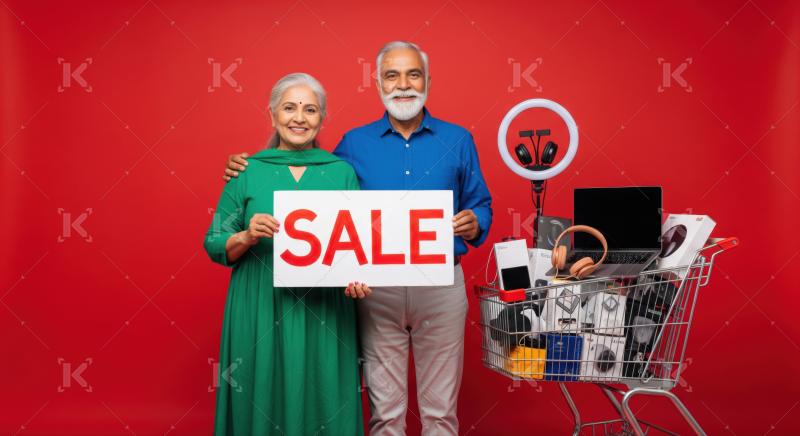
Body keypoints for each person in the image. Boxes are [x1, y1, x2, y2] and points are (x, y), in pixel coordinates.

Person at [223, 41, 493, 435]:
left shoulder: (458, 140)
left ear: (428, 81)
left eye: (413, 74)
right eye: (392, 75)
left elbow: (481, 203)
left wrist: (475, 221)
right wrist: (249, 166)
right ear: (378, 82)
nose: (403, 85)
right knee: (385, 412)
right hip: (375, 290)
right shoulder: (352, 144)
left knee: (440, 413)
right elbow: (310, 178)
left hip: (439, 285)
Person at [204, 72, 371, 435]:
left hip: (325, 307)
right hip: (260, 302)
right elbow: (215, 241)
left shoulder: (341, 173)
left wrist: (360, 278)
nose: (299, 118)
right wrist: (247, 235)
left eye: (310, 110)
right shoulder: (247, 171)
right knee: (259, 390)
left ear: (322, 118)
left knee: (322, 392)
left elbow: (359, 247)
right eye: (290, 108)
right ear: (272, 114)